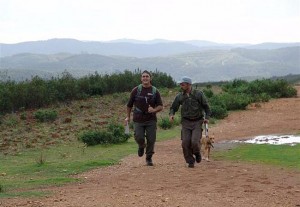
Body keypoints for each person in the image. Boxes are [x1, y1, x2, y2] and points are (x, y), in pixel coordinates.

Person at [169, 76, 211, 168]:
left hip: (197, 121)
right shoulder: (180, 96)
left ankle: (197, 153)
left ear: (188, 84)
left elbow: (206, 107)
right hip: (186, 122)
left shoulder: (198, 94)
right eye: (180, 84)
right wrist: (171, 115)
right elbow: (173, 107)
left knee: (195, 142)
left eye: (182, 84)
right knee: (185, 142)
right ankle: (190, 161)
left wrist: (207, 117)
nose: (181, 85)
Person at [125, 70, 163, 166]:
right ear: (141, 78)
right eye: (143, 76)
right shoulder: (136, 90)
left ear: (150, 78)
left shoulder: (155, 91)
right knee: (139, 137)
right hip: (138, 119)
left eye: (147, 76)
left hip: (151, 119)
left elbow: (160, 106)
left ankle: (149, 158)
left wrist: (154, 110)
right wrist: (128, 117)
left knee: (151, 139)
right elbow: (129, 105)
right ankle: (141, 146)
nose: (145, 78)